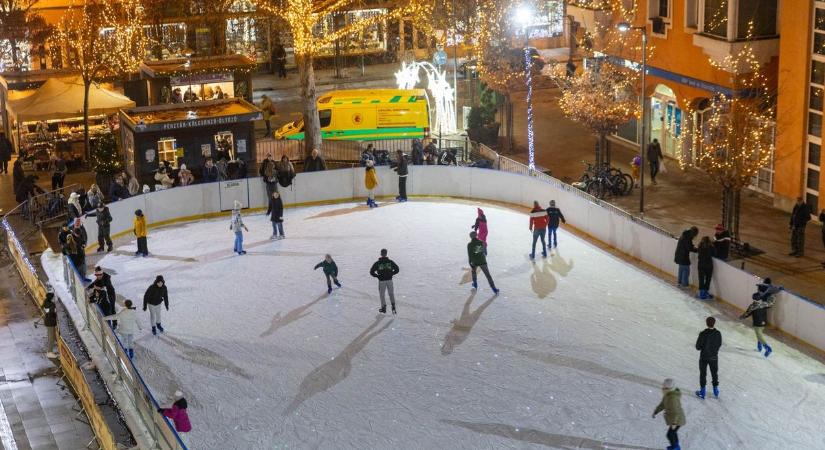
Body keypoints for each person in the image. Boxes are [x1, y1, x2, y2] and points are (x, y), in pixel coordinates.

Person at [740, 280, 777, 357]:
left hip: (757, 322)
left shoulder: (753, 305)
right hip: (764, 321)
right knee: (760, 334)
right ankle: (759, 346)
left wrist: (742, 316)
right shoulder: (764, 304)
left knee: (759, 334)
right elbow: (771, 303)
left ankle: (767, 348)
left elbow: (748, 313)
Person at [652, 378, 685, 450]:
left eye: (664, 387)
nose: (662, 388)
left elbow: (676, 412)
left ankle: (675, 448)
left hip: (677, 419)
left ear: (669, 388)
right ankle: (676, 446)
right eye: (663, 386)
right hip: (675, 419)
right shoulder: (668, 395)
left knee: (670, 434)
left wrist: (674, 423)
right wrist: (656, 411)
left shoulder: (673, 398)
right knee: (673, 433)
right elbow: (662, 404)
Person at [695, 316, 722, 399]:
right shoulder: (718, 333)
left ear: (706, 323)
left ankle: (702, 392)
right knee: (714, 373)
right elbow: (719, 344)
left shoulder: (703, 334)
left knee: (703, 374)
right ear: (714, 323)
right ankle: (716, 391)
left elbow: (698, 347)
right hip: (714, 357)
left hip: (704, 357)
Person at [370, 249, 399, 314]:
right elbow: (397, 269)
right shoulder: (390, 262)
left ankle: (383, 307)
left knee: (382, 294)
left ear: (381, 254)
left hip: (382, 281)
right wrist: (391, 273)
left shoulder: (378, 263)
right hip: (389, 280)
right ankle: (393, 306)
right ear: (386, 253)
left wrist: (377, 276)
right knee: (391, 293)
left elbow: (371, 272)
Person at [43, 292, 58, 358]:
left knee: (50, 336)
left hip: (48, 322)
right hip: (50, 323)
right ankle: (49, 352)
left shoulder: (45, 302)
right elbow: (53, 313)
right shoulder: (51, 305)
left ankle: (50, 349)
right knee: (51, 337)